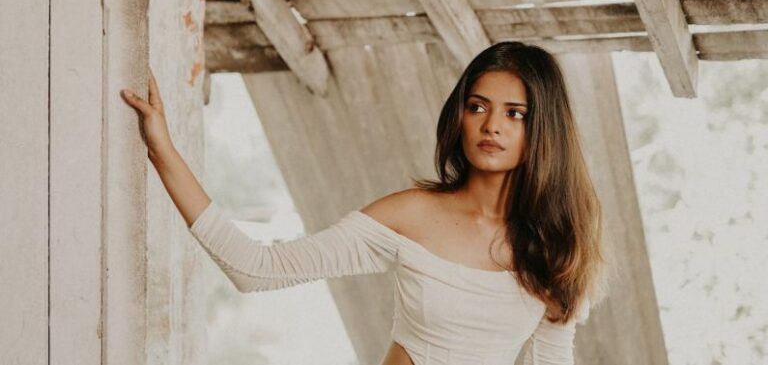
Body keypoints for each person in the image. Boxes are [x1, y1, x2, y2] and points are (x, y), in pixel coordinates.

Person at [121, 41, 610, 365]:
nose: (492, 125)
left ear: (543, 128)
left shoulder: (558, 245)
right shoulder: (410, 215)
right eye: (477, 106)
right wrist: (162, 149)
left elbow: (553, 355)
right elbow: (256, 269)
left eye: (514, 113)